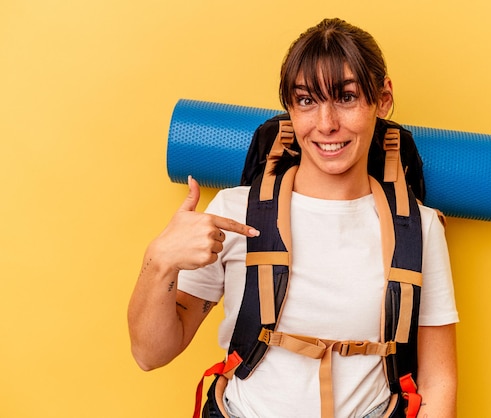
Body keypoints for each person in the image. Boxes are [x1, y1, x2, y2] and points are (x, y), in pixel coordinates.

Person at [128, 18, 458, 418]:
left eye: (347, 97)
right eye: (307, 100)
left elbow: (438, 382)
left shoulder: (418, 229)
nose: (326, 124)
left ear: (382, 99)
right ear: (290, 107)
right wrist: (160, 261)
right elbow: (149, 354)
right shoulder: (234, 214)